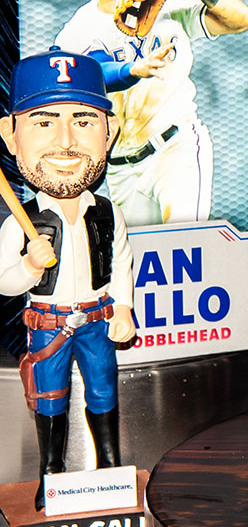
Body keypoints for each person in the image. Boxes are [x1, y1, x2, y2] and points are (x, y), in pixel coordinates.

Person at [0, 48, 135, 510]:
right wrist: (29, 267)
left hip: (97, 321)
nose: (65, 141)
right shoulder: (21, 222)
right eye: (42, 122)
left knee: (103, 387)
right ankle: (51, 473)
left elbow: (121, 263)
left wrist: (123, 308)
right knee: (51, 397)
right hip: (48, 326)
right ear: (10, 135)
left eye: (83, 120)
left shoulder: (107, 212)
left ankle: (110, 464)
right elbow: (4, 284)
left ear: (108, 131)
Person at [54, 0, 248, 225]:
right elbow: (94, 74)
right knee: (143, 262)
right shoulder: (75, 32)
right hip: (121, 167)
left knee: (186, 244)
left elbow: (241, 19)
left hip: (175, 147)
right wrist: (132, 70)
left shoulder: (168, 5)